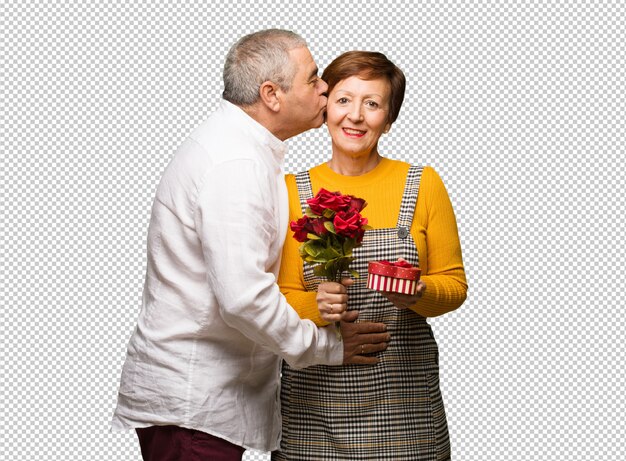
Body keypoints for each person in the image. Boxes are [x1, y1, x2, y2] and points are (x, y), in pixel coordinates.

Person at [111, 31, 391, 461]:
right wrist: (329, 347)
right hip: (194, 408)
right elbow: (244, 298)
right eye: (314, 79)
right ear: (272, 95)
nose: (325, 89)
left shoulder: (242, 151)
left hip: (200, 408)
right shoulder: (235, 164)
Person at [273, 51, 468, 460]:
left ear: (389, 119)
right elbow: (275, 298)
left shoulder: (424, 183)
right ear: (325, 108)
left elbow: (455, 285)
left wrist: (416, 291)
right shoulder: (290, 191)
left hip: (405, 407)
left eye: (373, 104)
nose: (356, 116)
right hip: (316, 408)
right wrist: (315, 304)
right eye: (344, 100)